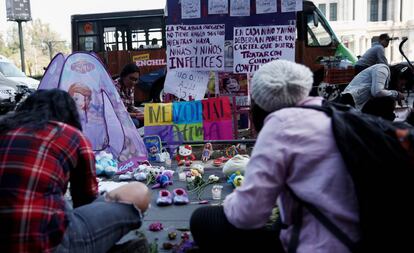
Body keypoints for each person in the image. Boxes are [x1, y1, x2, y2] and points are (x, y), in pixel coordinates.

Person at [190, 60, 360, 252]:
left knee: (203, 218)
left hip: (323, 244)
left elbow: (248, 215)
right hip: (359, 233)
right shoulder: (334, 113)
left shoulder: (280, 124)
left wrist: (232, 199)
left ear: (261, 101)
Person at [0, 89, 151, 253]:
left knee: (58, 202)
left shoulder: (4, 130)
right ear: (70, 115)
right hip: (50, 244)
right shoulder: (70, 135)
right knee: (138, 192)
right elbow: (86, 201)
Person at [340, 63, 412, 121]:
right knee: (387, 103)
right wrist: (396, 94)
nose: (401, 87)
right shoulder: (382, 69)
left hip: (359, 103)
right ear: (399, 76)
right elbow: (377, 92)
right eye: (402, 84)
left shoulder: (388, 79)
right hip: (351, 100)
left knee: (388, 105)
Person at [114, 63, 144, 128]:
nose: (133, 82)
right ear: (124, 76)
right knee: (135, 122)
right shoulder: (115, 87)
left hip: (127, 116)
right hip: (116, 118)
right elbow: (118, 112)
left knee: (146, 120)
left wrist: (142, 114)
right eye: (131, 78)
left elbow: (131, 107)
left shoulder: (130, 87)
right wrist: (136, 115)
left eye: (135, 80)